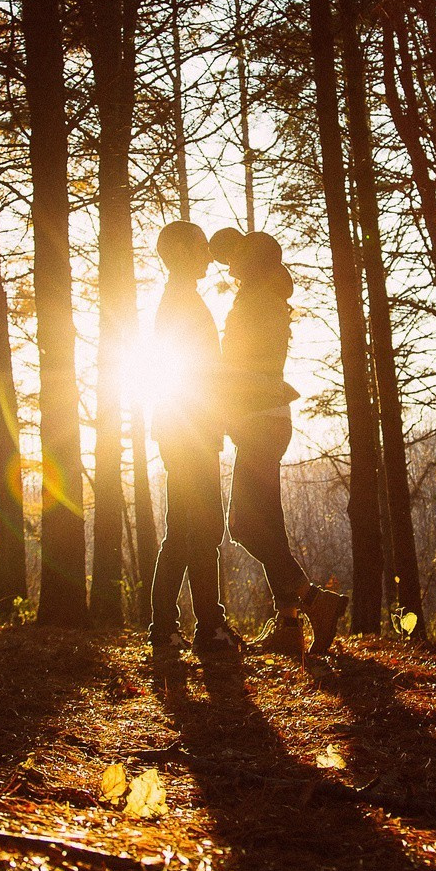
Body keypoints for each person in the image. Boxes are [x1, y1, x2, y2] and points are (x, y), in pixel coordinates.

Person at [211, 227, 347, 656]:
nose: (228, 267)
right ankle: (288, 626)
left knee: (244, 526)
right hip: (268, 420)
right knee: (267, 524)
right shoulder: (268, 298)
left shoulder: (253, 304)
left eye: (233, 260)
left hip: (258, 422)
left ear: (248, 263)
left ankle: (313, 602)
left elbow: (237, 368)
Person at [147, 221, 244, 661]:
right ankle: (202, 627)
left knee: (188, 532)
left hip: (186, 432)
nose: (209, 257)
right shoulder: (182, 304)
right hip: (189, 434)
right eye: (202, 249)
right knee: (198, 532)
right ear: (185, 255)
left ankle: (182, 627)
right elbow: (197, 373)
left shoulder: (180, 301)